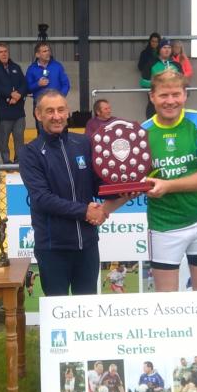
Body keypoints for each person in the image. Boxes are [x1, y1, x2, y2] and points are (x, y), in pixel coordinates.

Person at [19, 89, 124, 296]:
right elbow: (42, 198)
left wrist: (123, 187)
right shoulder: (29, 152)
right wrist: (85, 211)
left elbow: (96, 186)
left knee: (85, 311)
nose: (56, 116)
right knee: (58, 310)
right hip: (53, 248)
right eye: (50, 111)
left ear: (68, 112)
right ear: (38, 115)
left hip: (87, 245)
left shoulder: (83, 143)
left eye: (61, 110)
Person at [137, 71, 197, 292]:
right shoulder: (142, 132)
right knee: (166, 300)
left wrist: (168, 186)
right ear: (152, 97)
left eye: (176, 94)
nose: (170, 101)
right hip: (165, 224)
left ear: (185, 95)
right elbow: (136, 181)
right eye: (164, 95)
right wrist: (105, 209)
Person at [0, 43, 27, 164]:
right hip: (2, 111)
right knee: (3, 140)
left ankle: (19, 162)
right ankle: (6, 162)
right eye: (1, 52)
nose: (4, 54)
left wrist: (18, 95)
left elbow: (24, 84)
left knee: (19, 138)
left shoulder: (16, 67)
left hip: (18, 110)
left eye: (5, 51)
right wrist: (10, 94)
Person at [26, 42, 70, 129]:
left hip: (57, 103)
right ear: (37, 54)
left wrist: (60, 97)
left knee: (60, 129)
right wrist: (37, 84)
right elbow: (27, 88)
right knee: (42, 130)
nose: (48, 53)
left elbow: (66, 84)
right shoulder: (31, 69)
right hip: (40, 104)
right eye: (44, 51)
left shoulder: (57, 66)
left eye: (48, 50)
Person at [140, 39, 182, 118]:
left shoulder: (177, 65)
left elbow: (183, 82)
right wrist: (160, 83)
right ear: (159, 49)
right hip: (155, 104)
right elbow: (143, 82)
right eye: (164, 47)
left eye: (169, 48)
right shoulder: (151, 63)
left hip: (173, 103)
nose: (167, 50)